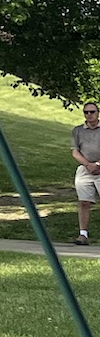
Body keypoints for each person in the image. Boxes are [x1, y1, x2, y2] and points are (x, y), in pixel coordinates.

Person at [73, 102, 100, 246]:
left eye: (92, 112)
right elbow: (75, 151)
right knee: (84, 202)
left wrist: (97, 164)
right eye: (86, 112)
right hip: (85, 169)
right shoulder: (78, 131)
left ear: (98, 113)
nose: (89, 115)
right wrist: (88, 165)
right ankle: (83, 235)